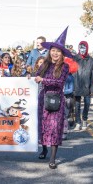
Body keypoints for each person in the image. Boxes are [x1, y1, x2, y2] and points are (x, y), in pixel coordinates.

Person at [34, 27, 71, 169]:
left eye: (58, 51)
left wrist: (42, 80)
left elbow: (60, 82)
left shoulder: (65, 66)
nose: (55, 53)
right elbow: (36, 75)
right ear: (50, 51)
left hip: (57, 99)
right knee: (43, 126)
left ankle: (53, 158)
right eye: (53, 50)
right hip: (43, 98)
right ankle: (43, 149)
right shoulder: (45, 64)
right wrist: (30, 78)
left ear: (62, 54)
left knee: (55, 128)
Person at [72, 41, 93, 131]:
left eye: (84, 47)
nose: (82, 50)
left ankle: (84, 119)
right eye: (80, 47)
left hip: (87, 85)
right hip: (76, 84)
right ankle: (78, 122)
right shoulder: (74, 58)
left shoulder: (91, 60)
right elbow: (71, 71)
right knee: (77, 105)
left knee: (87, 103)